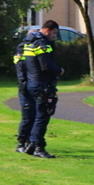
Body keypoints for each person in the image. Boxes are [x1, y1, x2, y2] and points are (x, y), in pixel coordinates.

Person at [20, 20, 64, 158]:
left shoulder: (29, 43)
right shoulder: (42, 44)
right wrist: (60, 71)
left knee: (35, 115)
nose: (55, 36)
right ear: (47, 30)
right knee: (42, 116)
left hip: (31, 82)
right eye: (54, 33)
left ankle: (29, 144)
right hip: (41, 84)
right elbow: (46, 65)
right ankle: (38, 146)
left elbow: (22, 65)